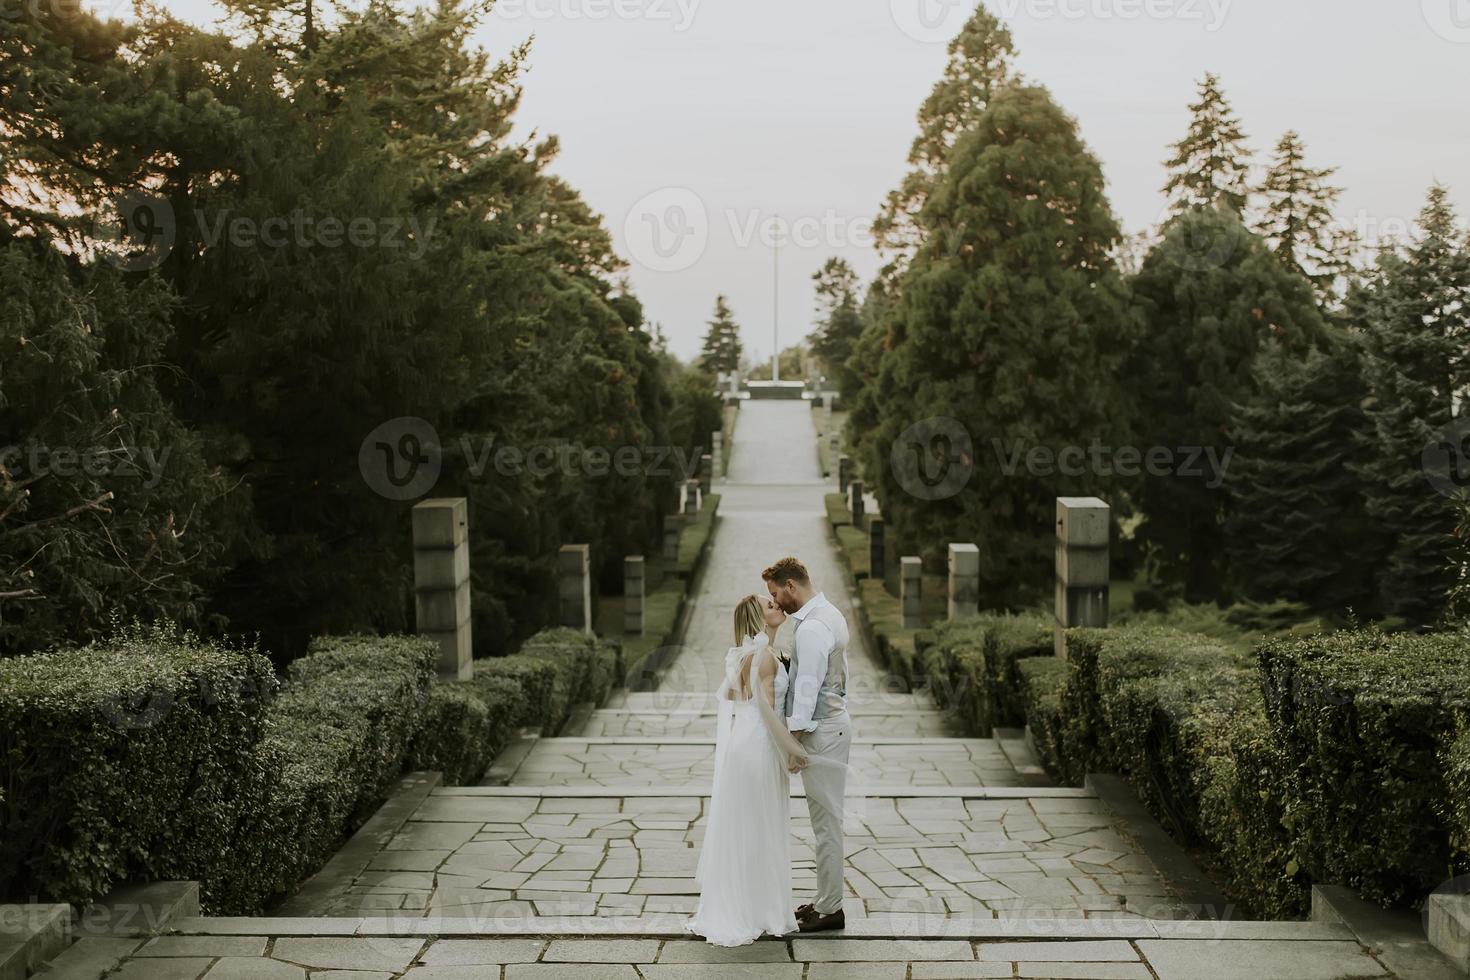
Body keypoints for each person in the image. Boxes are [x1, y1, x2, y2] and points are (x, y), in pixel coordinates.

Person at [685, 593, 807, 946]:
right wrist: (792, 748)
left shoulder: (743, 655)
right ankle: (762, 911)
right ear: (758, 619)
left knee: (748, 827)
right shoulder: (765, 656)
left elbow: (729, 697)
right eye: (770, 606)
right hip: (759, 748)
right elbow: (769, 713)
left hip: (742, 743)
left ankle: (747, 906)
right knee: (763, 826)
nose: (777, 607)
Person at [764, 555, 851, 934]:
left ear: (791, 586)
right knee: (824, 820)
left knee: (826, 822)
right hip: (831, 726)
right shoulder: (827, 613)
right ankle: (824, 900)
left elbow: (808, 686)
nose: (776, 601)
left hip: (823, 731)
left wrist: (793, 742)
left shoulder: (813, 628)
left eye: (775, 593)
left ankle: (831, 910)